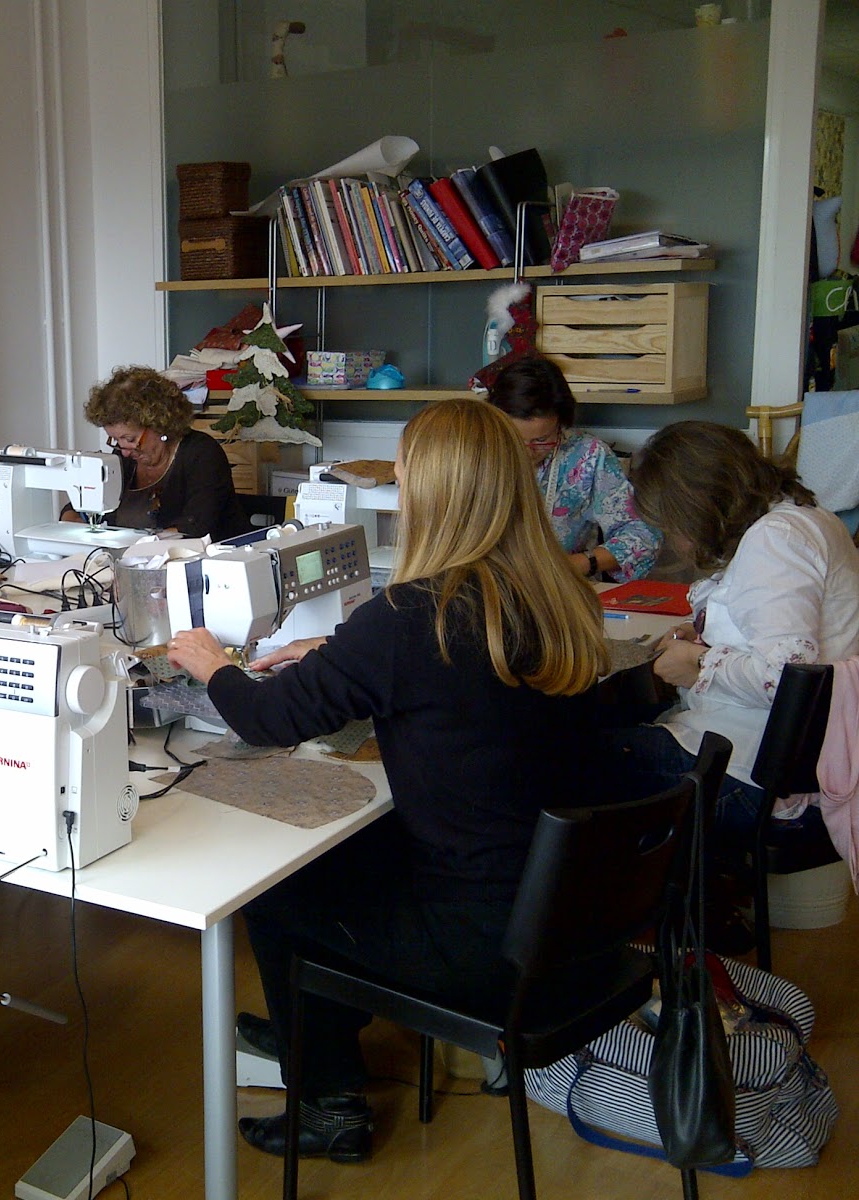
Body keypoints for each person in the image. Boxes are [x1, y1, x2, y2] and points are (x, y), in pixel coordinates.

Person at [166, 398, 606, 1163]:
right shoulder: (550, 597)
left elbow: (268, 719)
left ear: (430, 495)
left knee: (274, 887)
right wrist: (336, 660)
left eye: (403, 476)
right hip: (562, 916)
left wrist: (212, 665)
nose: (397, 486)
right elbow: (444, 682)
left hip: (481, 947)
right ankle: (314, 1015)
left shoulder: (410, 616)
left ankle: (328, 1101)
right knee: (338, 853)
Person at [600, 421, 859, 843]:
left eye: (670, 525)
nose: (673, 538)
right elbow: (776, 627)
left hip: (755, 777)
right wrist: (707, 636)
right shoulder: (800, 518)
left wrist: (700, 664)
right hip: (779, 758)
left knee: (573, 760)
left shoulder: (774, 541)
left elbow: (786, 677)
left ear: (695, 507)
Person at [486, 356, 660, 581]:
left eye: (541, 440)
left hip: (562, 586)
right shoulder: (474, 452)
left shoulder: (587, 456)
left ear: (561, 424)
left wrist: (582, 564)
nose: (526, 451)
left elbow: (642, 535)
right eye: (513, 438)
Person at [66, 364, 249, 541]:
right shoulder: (123, 457)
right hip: (136, 557)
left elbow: (196, 527)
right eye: (115, 440)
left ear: (159, 425)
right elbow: (77, 507)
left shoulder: (202, 454)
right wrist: (74, 520)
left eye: (130, 439)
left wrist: (140, 544)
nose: (125, 451)